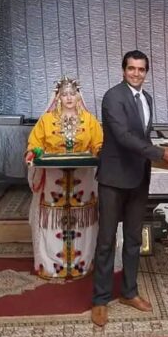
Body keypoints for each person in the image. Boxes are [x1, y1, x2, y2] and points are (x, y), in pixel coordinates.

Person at [91, 50, 168, 327]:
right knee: (106, 241)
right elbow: (123, 137)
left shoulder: (147, 98)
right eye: (131, 68)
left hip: (138, 178)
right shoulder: (113, 97)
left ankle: (129, 292)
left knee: (134, 238)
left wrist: (167, 150)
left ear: (146, 72)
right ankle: (100, 299)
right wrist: (163, 154)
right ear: (123, 70)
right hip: (113, 179)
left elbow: (142, 137)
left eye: (141, 69)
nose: (136, 73)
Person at [24, 76, 103, 280]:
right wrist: (33, 152)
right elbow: (35, 144)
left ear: (78, 96)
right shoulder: (46, 120)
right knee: (52, 224)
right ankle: (51, 266)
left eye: (72, 94)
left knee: (83, 224)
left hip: (83, 183)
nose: (68, 98)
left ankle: (81, 265)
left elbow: (98, 144)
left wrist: (100, 152)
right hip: (53, 184)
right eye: (64, 94)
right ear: (58, 97)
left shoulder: (90, 120)